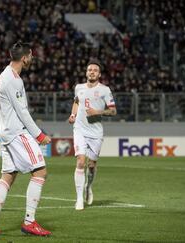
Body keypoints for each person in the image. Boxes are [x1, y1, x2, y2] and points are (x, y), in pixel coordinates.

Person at [0, 42, 52, 236]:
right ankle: (29, 221)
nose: (31, 59)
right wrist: (39, 135)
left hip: (6, 132)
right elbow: (22, 112)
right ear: (24, 58)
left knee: (7, 176)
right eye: (30, 56)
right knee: (40, 172)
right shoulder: (13, 79)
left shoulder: (5, 75)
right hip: (17, 133)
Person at [68, 59, 117, 210]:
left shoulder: (105, 90)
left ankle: (88, 187)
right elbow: (76, 102)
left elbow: (113, 111)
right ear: (86, 72)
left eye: (95, 70)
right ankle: (79, 199)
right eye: (90, 70)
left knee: (92, 165)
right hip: (80, 129)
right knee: (81, 161)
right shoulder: (79, 87)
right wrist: (73, 115)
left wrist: (98, 112)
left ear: (99, 74)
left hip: (95, 132)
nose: (92, 72)